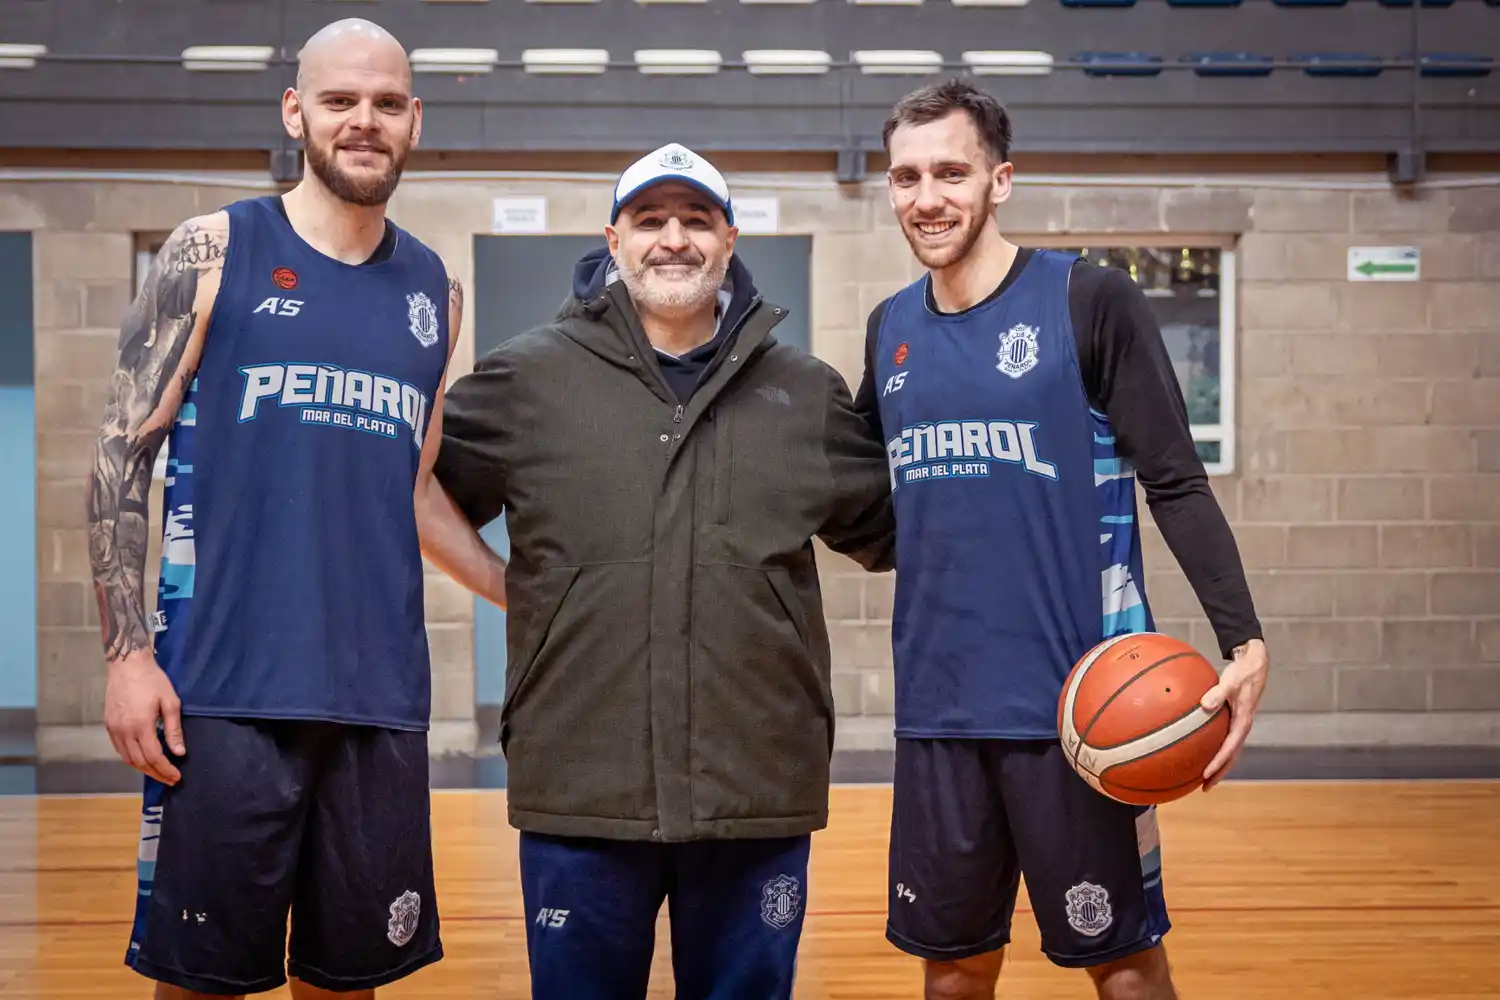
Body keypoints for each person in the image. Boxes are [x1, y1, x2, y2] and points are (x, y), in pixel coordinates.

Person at [415, 142, 894, 1000]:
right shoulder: (528, 378)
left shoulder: (804, 393)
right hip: (581, 783)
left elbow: (895, 529)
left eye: (697, 220)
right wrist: (509, 589)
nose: (674, 239)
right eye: (650, 220)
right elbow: (420, 492)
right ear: (615, 239)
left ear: (729, 239)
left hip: (755, 785)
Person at [857, 79, 1270, 1000]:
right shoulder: (890, 330)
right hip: (939, 711)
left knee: (1122, 968)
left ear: (1000, 181)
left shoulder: (1088, 299)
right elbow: (866, 504)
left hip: (1084, 713)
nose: (927, 197)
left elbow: (1175, 480)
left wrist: (1243, 639)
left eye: (952, 172)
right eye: (907, 177)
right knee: (952, 974)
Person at [85, 18, 460, 998]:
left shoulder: (437, 290)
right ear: (296, 112)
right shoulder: (212, 249)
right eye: (340, 100)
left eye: (387, 103)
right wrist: (127, 657)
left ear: (415, 120)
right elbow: (120, 453)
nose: (365, 121)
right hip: (223, 692)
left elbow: (413, 489)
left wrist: (518, 586)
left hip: (379, 697)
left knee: (347, 982)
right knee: (199, 981)